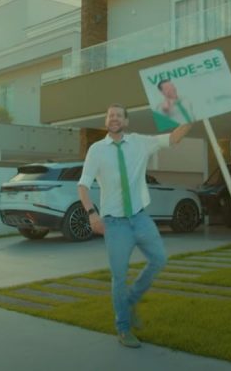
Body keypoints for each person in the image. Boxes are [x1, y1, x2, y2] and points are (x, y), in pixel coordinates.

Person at [78, 103, 192, 348]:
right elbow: (83, 185)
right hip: (114, 224)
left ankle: (129, 300)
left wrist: (193, 119)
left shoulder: (140, 142)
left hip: (140, 218)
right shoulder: (96, 150)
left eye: (119, 115)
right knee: (119, 277)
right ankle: (123, 328)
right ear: (106, 121)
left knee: (159, 259)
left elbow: (173, 138)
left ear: (126, 121)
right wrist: (91, 214)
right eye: (110, 115)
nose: (114, 118)